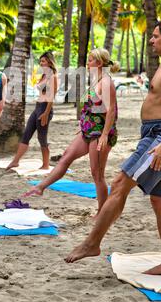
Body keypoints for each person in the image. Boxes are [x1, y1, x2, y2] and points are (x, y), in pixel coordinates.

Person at [64, 19, 161, 277]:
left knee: (120, 184)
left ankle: (92, 244)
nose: (151, 40)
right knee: (160, 200)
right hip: (156, 134)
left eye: (155, 36)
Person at [23, 48, 120, 217]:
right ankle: (40, 187)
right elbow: (94, 108)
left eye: (90, 60)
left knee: (97, 174)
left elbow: (111, 111)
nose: (87, 63)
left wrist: (104, 135)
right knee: (66, 156)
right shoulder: (96, 80)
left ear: (98, 63)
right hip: (88, 131)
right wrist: (85, 124)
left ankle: (102, 212)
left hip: (100, 133)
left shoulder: (106, 81)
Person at [5, 51, 58, 171]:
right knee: (26, 134)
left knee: (42, 138)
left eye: (43, 61)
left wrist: (45, 113)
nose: (41, 63)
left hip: (45, 108)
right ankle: (15, 161)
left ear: (50, 62)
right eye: (40, 61)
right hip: (37, 107)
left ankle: (46, 164)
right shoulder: (43, 76)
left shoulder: (53, 77)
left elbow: (51, 97)